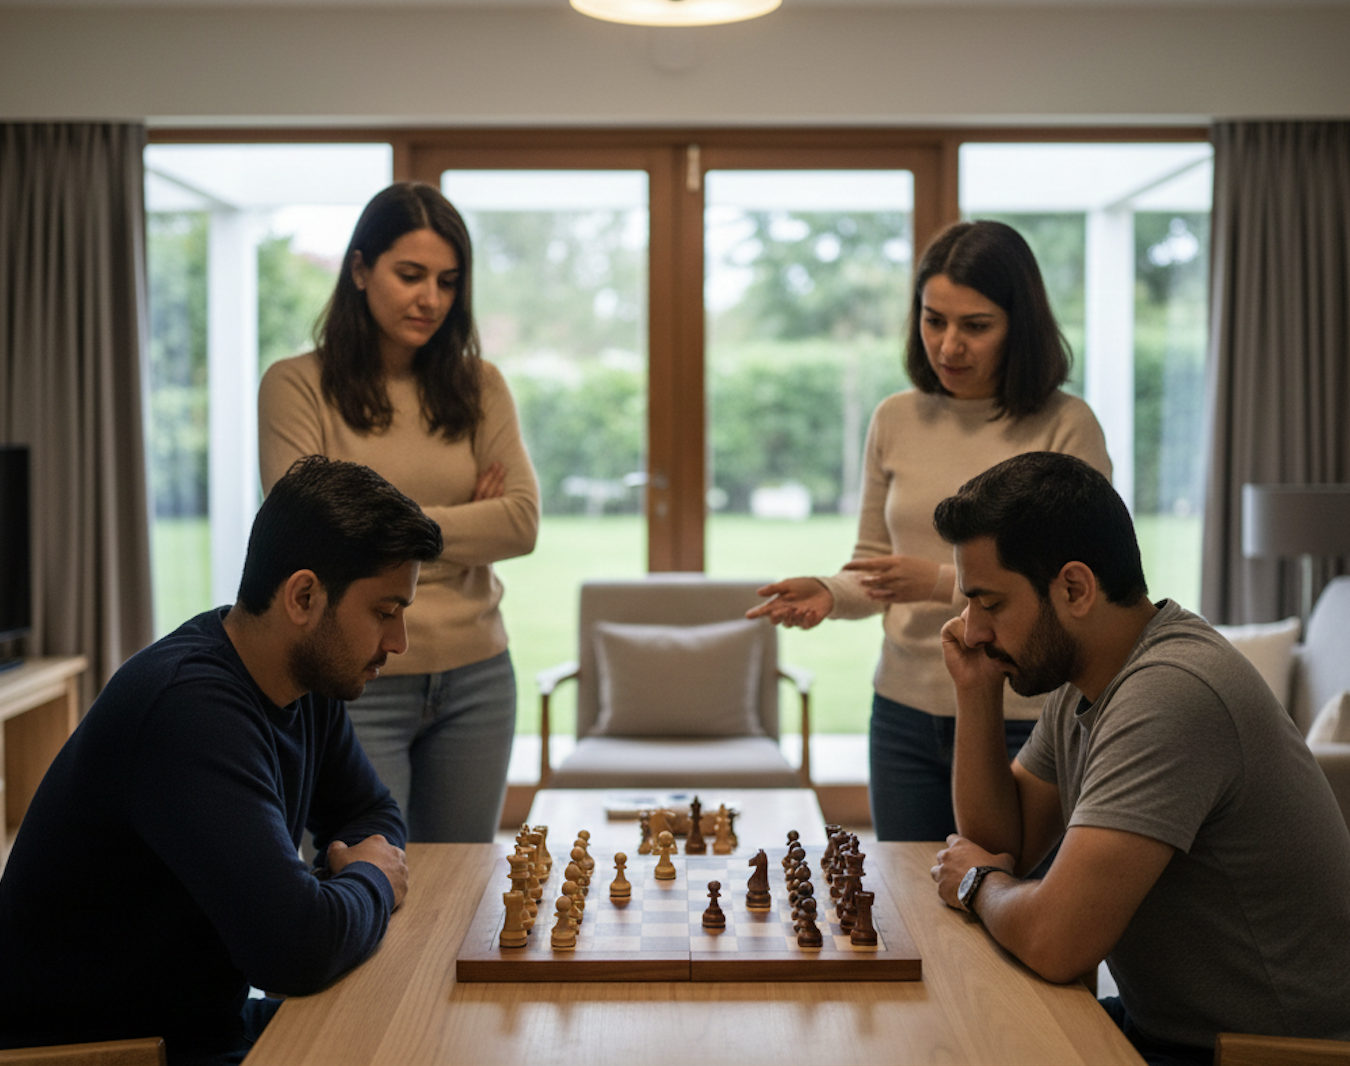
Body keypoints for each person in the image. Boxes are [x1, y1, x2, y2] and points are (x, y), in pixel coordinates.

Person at [0, 456, 445, 1065]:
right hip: (107, 1051)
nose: (398, 643)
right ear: (304, 596)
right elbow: (294, 951)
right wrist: (368, 878)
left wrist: (334, 889)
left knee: (419, 1025)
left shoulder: (303, 683)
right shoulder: (188, 710)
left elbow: (368, 811)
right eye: (385, 613)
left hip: (201, 1025)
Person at [930, 452, 1350, 1064]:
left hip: (1270, 1052)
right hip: (1174, 1026)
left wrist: (976, 883)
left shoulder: (1170, 693)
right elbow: (1006, 841)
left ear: (1075, 588)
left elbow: (1055, 938)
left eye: (989, 604)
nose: (970, 630)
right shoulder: (1091, 672)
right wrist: (975, 691)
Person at [748, 220, 1111, 840]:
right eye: (933, 319)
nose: (948, 346)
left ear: (1018, 325)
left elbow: (1077, 590)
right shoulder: (895, 418)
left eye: (975, 326)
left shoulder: (1066, 425)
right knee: (909, 907)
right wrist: (832, 592)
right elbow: (876, 565)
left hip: (1028, 717)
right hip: (904, 712)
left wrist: (941, 582)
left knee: (1012, 909)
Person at [259, 182, 540, 843]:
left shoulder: (480, 384)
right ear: (360, 270)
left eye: (447, 281)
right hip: (351, 678)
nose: (431, 299)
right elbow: (308, 529)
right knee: (363, 888)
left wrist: (377, 530)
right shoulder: (296, 385)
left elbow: (521, 522)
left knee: (463, 893)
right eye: (410, 275)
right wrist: (463, 526)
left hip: (477, 679)